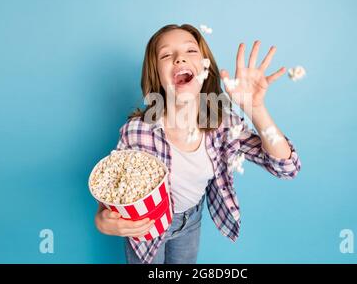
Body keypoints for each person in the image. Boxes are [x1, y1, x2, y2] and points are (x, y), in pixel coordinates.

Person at [95, 24, 301, 264]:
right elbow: (112, 189)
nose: (179, 57)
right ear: (156, 75)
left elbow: (286, 167)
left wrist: (255, 109)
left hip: (192, 221)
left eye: (190, 51)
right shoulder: (137, 132)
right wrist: (101, 219)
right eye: (166, 55)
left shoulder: (223, 125)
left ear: (205, 68)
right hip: (146, 226)